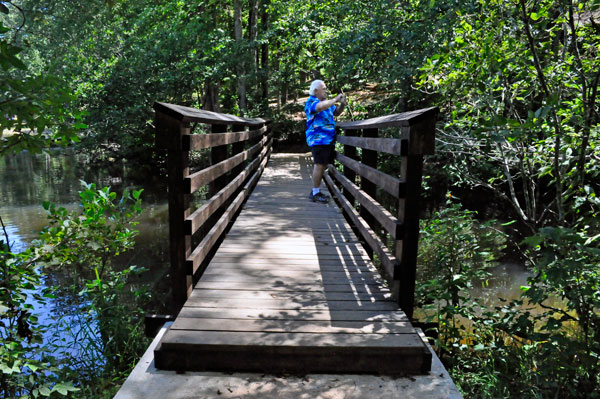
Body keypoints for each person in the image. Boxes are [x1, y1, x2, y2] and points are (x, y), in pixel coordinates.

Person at [304, 80, 346, 203]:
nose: (326, 91)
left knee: (323, 165)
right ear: (316, 91)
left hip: (327, 141)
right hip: (318, 140)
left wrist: (342, 104)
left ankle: (316, 191)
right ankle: (315, 192)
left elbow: (336, 112)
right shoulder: (311, 102)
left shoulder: (326, 103)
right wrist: (335, 99)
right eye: (324, 88)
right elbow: (320, 108)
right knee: (319, 165)